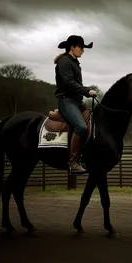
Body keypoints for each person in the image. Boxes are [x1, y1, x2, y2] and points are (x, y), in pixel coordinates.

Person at [54, 35, 97, 173]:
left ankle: (85, 156)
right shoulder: (64, 62)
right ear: (72, 47)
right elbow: (69, 83)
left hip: (77, 101)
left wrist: (84, 93)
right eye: (81, 47)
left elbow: (76, 84)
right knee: (80, 127)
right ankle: (73, 162)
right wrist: (86, 90)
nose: (83, 50)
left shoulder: (74, 63)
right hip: (66, 100)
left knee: (93, 122)